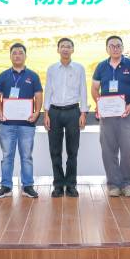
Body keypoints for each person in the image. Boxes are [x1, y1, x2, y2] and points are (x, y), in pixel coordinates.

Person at [91, 35, 130, 197]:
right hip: (107, 116)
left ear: (122, 48)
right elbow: (94, 88)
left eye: (118, 45)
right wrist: (99, 104)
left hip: (127, 113)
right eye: (112, 46)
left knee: (129, 149)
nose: (115, 48)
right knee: (108, 150)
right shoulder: (101, 66)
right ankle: (114, 185)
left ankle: (127, 184)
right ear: (107, 48)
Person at [0, 43, 43, 199]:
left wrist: (36, 113)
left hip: (27, 124)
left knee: (26, 156)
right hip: (7, 124)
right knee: (7, 156)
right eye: (14, 53)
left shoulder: (33, 76)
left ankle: (27, 186)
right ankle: (6, 186)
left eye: (20, 53)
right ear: (10, 56)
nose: (17, 55)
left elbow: (38, 96)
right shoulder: (3, 75)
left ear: (25, 56)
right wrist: (0, 112)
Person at [43, 38, 88, 198]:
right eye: (62, 46)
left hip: (73, 112)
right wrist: (46, 113)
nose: (65, 49)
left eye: (68, 46)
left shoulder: (79, 68)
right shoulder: (52, 69)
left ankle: (70, 185)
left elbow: (83, 91)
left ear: (72, 50)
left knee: (72, 151)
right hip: (54, 113)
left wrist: (83, 113)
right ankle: (58, 184)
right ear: (58, 50)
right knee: (55, 151)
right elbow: (48, 91)